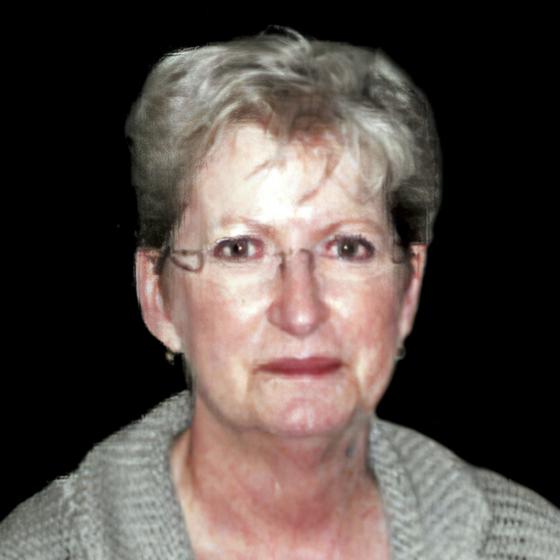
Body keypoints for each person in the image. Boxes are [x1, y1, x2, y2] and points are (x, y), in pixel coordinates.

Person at [1, 26, 559, 559]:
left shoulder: (534, 544)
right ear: (158, 298)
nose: (300, 310)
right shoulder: (36, 550)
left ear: (408, 289)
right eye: (240, 248)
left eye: (348, 248)